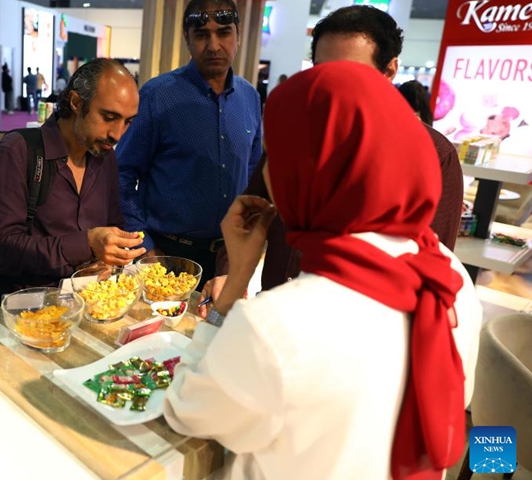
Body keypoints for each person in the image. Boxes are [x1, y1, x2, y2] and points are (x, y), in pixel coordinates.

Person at [164, 61, 482, 480]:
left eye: (275, 155)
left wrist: (234, 284)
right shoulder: (448, 275)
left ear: (308, 170)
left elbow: (187, 411)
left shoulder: (276, 327)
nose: (266, 171)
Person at [203, 5, 464, 307]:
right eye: (321, 74)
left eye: (350, 77)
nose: (331, 91)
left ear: (389, 70)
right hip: (275, 305)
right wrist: (231, 273)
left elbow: (430, 268)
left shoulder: (434, 157)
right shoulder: (294, 137)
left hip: (353, 328)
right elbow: (249, 210)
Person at [115, 0, 263, 288]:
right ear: (187, 39)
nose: (213, 45)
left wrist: (242, 243)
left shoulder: (250, 98)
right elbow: (120, 174)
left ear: (238, 35)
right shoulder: (158, 96)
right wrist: (144, 245)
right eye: (201, 35)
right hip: (166, 257)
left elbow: (254, 174)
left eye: (223, 33)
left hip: (229, 257)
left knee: (221, 333)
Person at [0, 58, 145, 291]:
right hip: (30, 308)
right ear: (76, 102)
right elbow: (0, 250)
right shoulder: (19, 151)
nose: (117, 135)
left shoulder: (105, 157)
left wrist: (108, 257)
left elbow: (113, 224)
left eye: (127, 122)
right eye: (109, 118)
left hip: (92, 299)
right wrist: (85, 243)